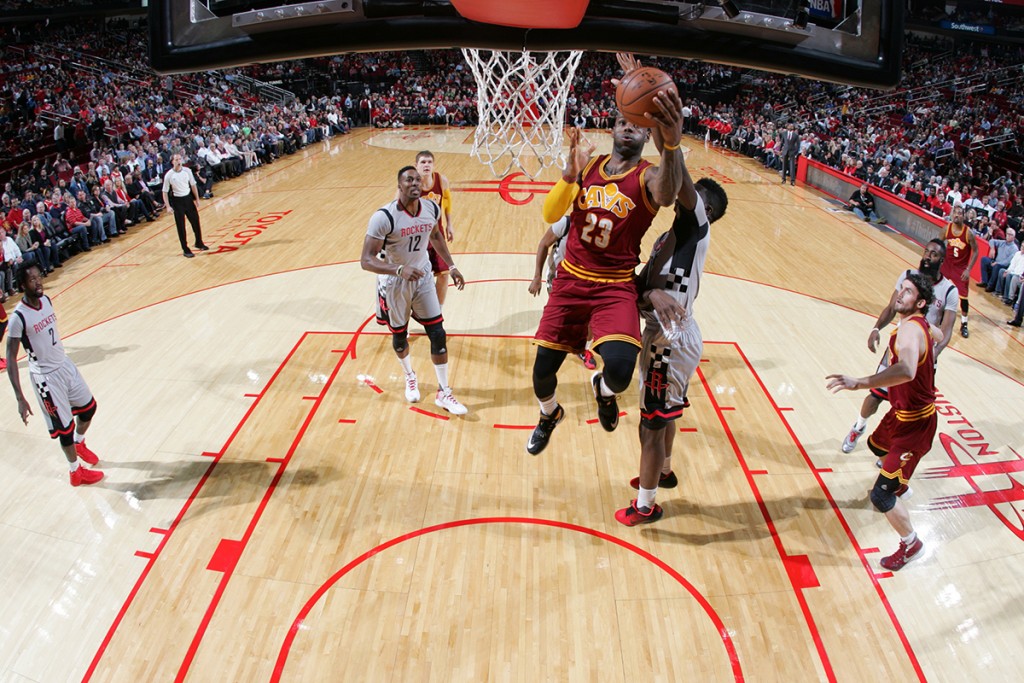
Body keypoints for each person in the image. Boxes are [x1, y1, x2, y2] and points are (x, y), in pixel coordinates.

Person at [526, 55, 685, 456]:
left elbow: (667, 195)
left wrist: (672, 142)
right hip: (570, 280)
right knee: (542, 375)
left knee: (619, 369)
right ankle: (549, 414)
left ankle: (603, 391)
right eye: (623, 122)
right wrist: (567, 176)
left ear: (648, 136)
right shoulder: (588, 165)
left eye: (638, 126)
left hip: (615, 286)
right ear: (614, 126)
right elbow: (550, 216)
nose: (629, 128)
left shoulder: (648, 174)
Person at [616, 165, 729, 526]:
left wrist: (668, 135)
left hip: (670, 339)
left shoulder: (697, 227)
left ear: (704, 210)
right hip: (663, 334)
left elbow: (679, 181)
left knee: (650, 423)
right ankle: (663, 471)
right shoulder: (668, 236)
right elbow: (645, 290)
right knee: (664, 413)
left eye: (691, 196)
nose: (682, 196)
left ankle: (645, 505)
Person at [827, 273, 941, 571]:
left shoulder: (908, 332)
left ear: (921, 302)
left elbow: (906, 370)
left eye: (908, 292)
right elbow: (937, 336)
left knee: (880, 494)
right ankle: (900, 484)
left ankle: (911, 543)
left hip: (916, 424)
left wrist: (860, 382)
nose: (900, 294)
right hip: (901, 414)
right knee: (877, 447)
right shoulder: (916, 326)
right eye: (901, 289)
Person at [361, 166, 468, 415]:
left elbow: (436, 237)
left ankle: (444, 392)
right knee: (400, 336)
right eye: (409, 180)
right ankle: (410, 375)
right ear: (399, 185)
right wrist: (399, 269)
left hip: (422, 279)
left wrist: (451, 267)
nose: (415, 183)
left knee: (438, 333)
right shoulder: (384, 217)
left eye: (418, 180)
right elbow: (366, 260)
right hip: (395, 283)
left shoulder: (431, 208)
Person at [840, 239, 958, 453]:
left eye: (933, 254)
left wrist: (933, 354)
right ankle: (859, 426)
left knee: (907, 408)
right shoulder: (908, 277)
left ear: (941, 259)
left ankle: (890, 449)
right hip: (900, 349)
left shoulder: (949, 290)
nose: (927, 257)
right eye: (926, 251)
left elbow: (946, 331)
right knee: (875, 396)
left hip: (923, 357)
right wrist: (876, 328)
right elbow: (891, 307)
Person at [5, 264, 104, 486]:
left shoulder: (47, 301)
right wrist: (20, 398)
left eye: (39, 277)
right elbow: (11, 358)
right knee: (64, 429)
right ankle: (75, 472)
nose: (38, 282)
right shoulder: (18, 318)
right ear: (23, 285)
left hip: (64, 365)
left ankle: (80, 443)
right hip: (46, 379)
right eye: (32, 280)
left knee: (89, 408)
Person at [528, 215, 597, 371]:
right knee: (562, 320)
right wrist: (537, 277)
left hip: (586, 282)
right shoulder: (566, 222)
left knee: (590, 322)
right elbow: (544, 244)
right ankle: (554, 347)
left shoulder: (604, 227)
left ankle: (584, 349)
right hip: (559, 281)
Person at [410, 151, 456, 307]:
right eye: (423, 162)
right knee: (414, 279)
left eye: (429, 162)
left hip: (437, 234)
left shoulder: (441, 180)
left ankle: (436, 313)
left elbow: (448, 201)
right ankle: (406, 317)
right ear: (415, 166)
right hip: (416, 238)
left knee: (444, 274)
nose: (426, 165)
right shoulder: (409, 184)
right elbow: (396, 209)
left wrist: (449, 224)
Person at [939, 205, 978, 338]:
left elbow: (976, 251)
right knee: (937, 287)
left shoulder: (968, 233)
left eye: (960, 213)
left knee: (963, 298)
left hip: (960, 269)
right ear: (951, 214)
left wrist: (968, 269)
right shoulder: (947, 228)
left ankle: (964, 324)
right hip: (947, 265)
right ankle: (936, 313)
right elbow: (939, 244)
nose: (957, 215)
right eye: (955, 213)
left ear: (963, 216)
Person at [162, 154, 209, 258]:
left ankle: (199, 242)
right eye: (176, 159)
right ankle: (185, 248)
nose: (179, 161)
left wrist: (197, 199)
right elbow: (165, 191)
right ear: (172, 162)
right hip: (177, 201)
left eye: (180, 159)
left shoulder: (187, 171)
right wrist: (168, 206)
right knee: (181, 226)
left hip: (188, 198)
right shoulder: (169, 175)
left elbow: (193, 185)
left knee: (195, 221)